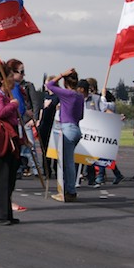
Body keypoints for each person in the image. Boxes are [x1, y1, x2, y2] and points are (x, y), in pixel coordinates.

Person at [0, 59, 25, 224]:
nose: (14, 79)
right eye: (10, 75)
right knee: (1, 176)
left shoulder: (7, 95)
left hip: (11, 137)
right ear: (2, 79)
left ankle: (7, 213)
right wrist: (13, 105)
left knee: (10, 177)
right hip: (2, 138)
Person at [46, 69, 85, 202]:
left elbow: (49, 85)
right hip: (76, 127)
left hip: (67, 128)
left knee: (66, 163)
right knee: (69, 162)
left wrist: (61, 74)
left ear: (65, 82)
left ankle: (69, 192)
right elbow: (81, 116)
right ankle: (69, 190)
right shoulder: (79, 96)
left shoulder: (66, 94)